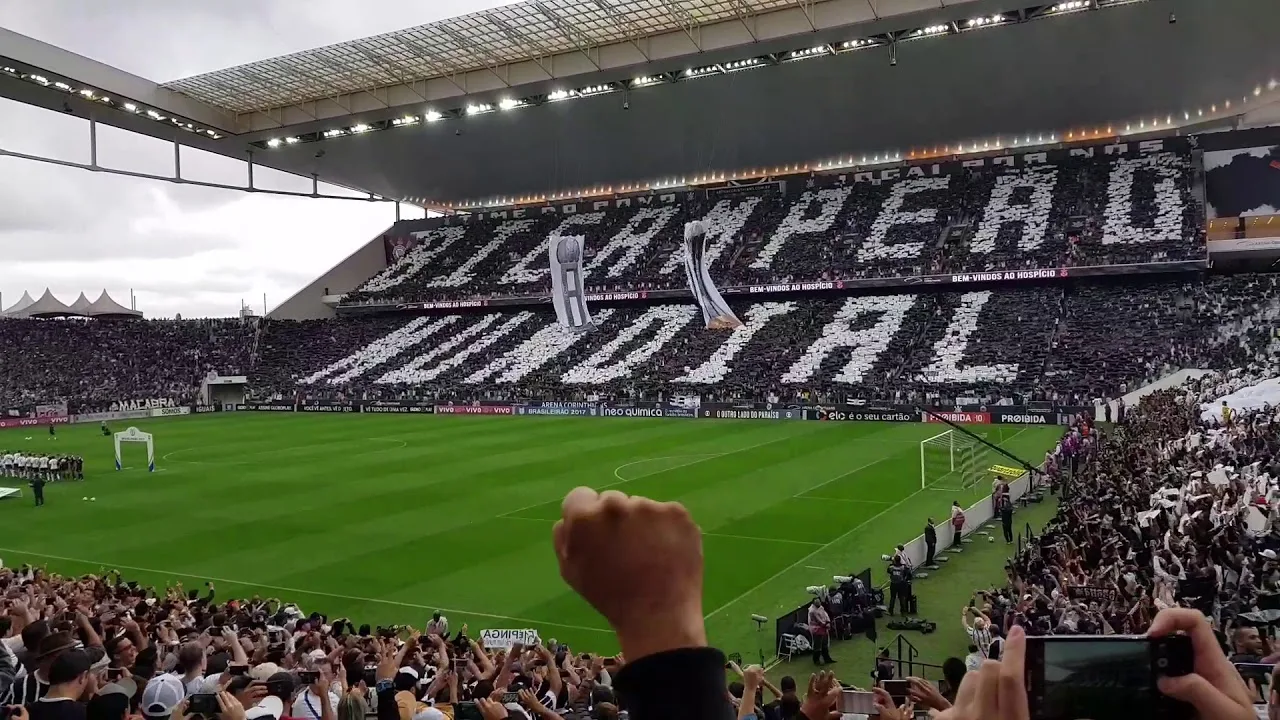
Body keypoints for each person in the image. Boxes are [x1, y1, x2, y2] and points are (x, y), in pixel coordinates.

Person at [806, 599, 834, 666]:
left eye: (819, 602)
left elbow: (825, 615)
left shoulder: (821, 607)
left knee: (824, 644)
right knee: (817, 646)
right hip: (817, 629)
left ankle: (827, 659)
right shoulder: (812, 611)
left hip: (823, 628)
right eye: (817, 602)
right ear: (814, 603)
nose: (819, 603)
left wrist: (828, 621)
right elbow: (818, 621)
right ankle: (816, 661)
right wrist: (826, 624)